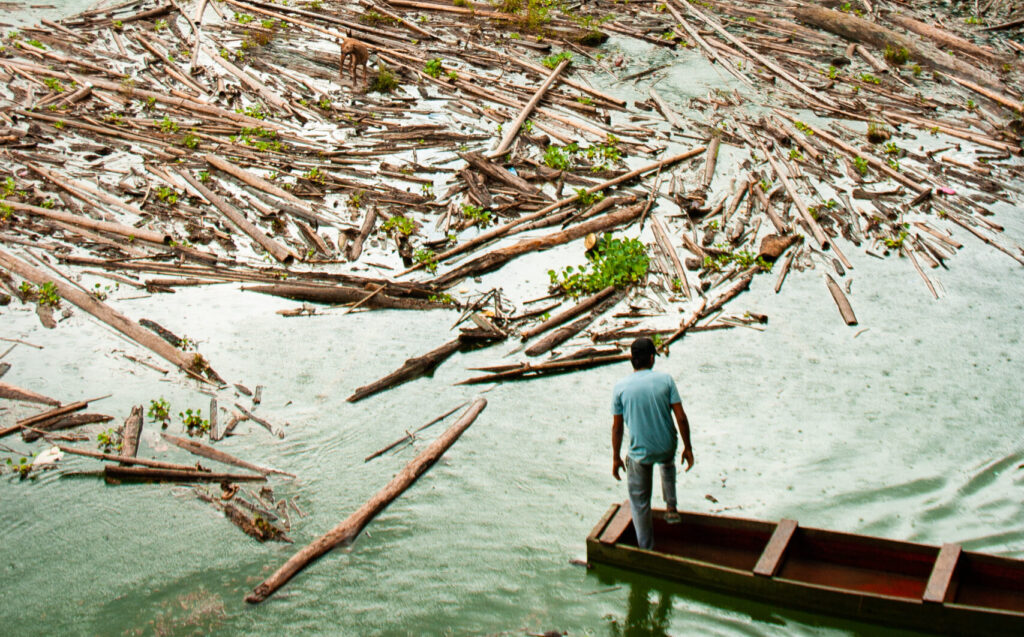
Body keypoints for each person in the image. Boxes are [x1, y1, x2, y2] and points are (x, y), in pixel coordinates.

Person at [611, 337, 694, 550]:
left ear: (632, 360)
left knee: (640, 502)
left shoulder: (620, 387)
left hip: (640, 453)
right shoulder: (666, 380)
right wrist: (688, 448)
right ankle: (671, 506)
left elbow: (617, 427)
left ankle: (646, 547)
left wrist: (616, 457)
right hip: (667, 446)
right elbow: (681, 417)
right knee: (667, 462)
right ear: (651, 358)